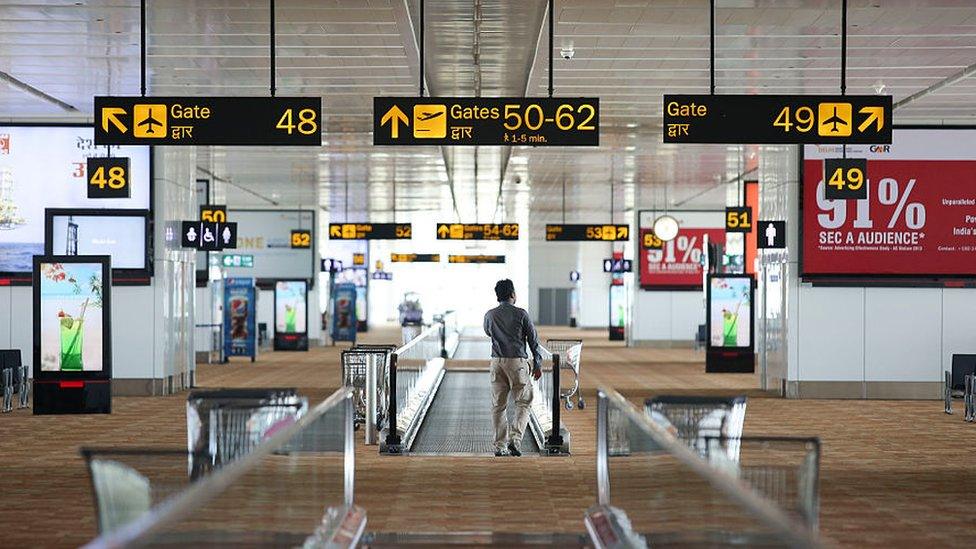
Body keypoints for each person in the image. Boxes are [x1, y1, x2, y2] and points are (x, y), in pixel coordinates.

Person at [483, 279, 543, 457]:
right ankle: (515, 440)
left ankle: (500, 446)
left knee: (498, 405)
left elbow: (488, 332)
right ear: (512, 294)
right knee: (523, 402)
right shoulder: (521, 314)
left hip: (497, 362)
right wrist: (538, 363)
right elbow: (533, 340)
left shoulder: (490, 315)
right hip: (517, 363)